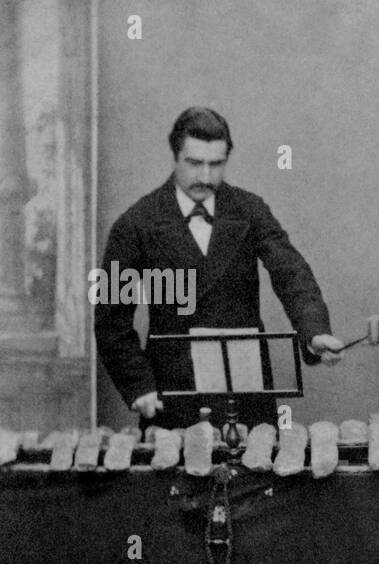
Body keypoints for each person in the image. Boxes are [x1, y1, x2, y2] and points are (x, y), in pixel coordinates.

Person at [95, 106, 343, 429]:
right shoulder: (135, 224)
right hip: (174, 399)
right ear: (175, 157)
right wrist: (139, 385)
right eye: (194, 163)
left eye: (216, 164)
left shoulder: (250, 210)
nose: (205, 177)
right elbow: (110, 319)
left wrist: (314, 331)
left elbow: (291, 272)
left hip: (247, 395)